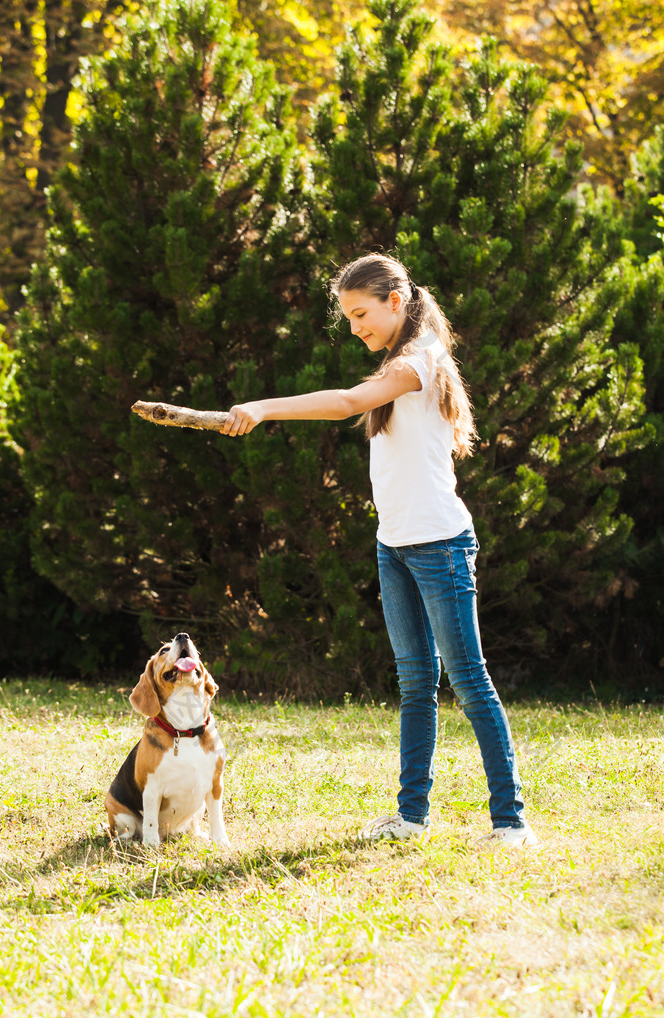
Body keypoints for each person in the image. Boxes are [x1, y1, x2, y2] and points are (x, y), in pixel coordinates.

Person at [221, 253, 537, 848]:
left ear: (396, 301)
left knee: (469, 681)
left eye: (361, 313)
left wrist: (263, 408)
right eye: (347, 318)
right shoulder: (398, 361)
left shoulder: (419, 361)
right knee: (417, 683)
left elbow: (344, 402)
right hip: (393, 545)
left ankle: (511, 821)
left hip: (440, 545)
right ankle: (411, 817)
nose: (355, 327)